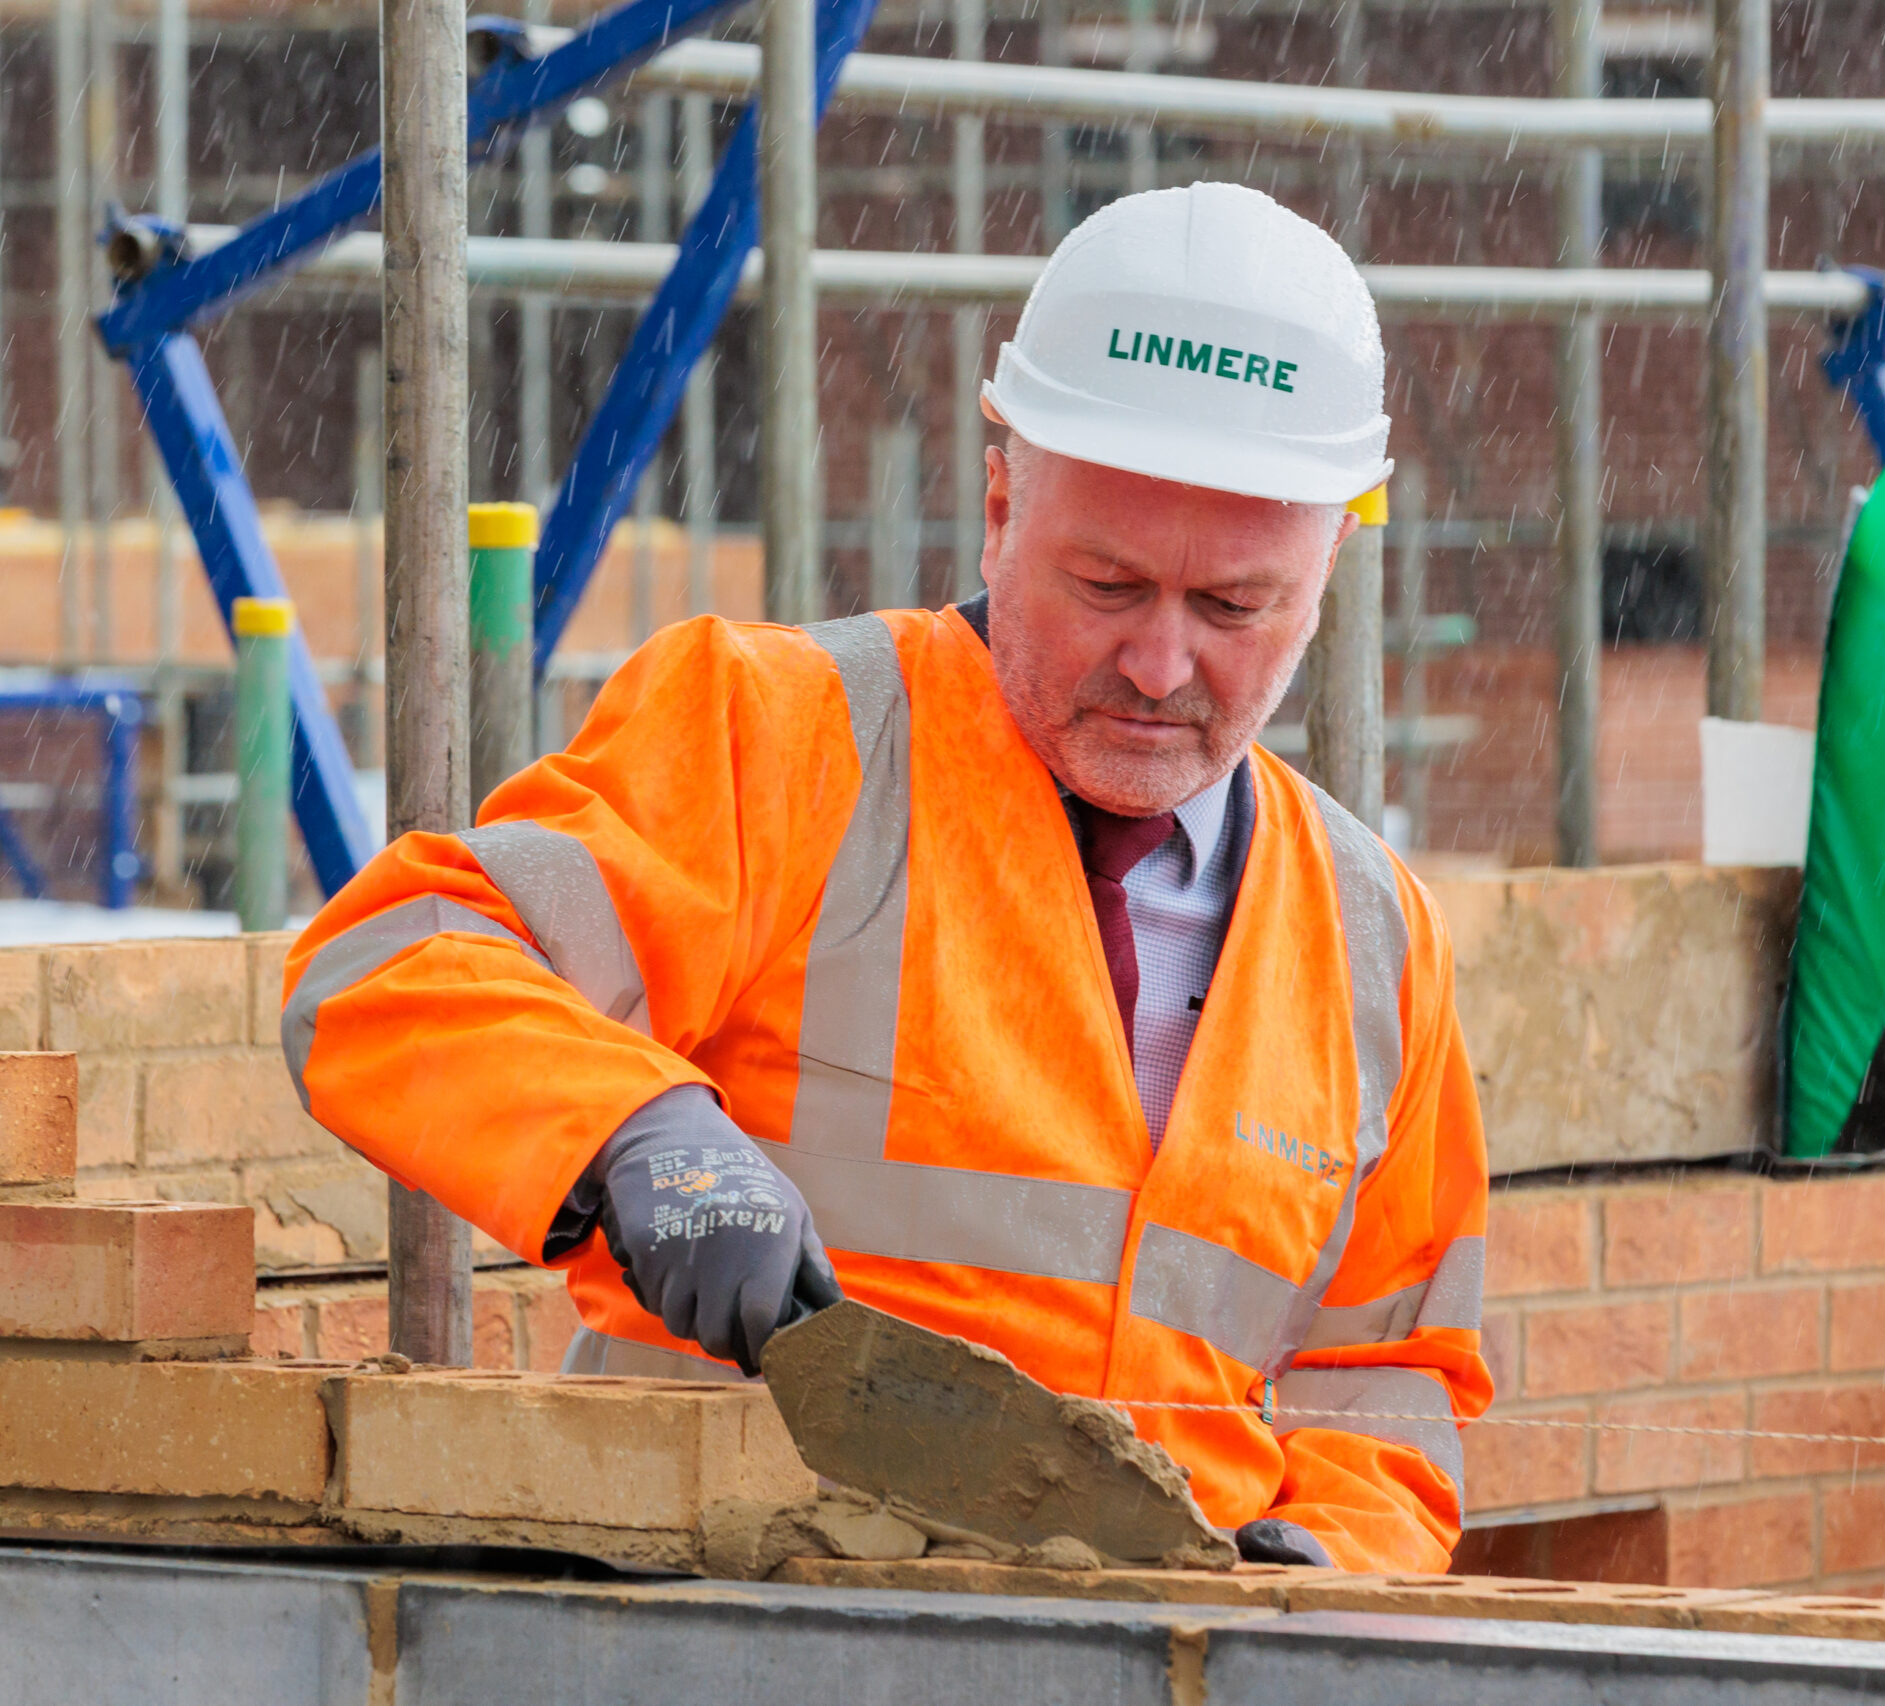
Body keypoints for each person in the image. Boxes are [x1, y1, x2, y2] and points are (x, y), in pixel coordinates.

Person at [281, 183, 1489, 1573]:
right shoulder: (779, 739)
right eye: (1106, 586)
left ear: (1330, 569)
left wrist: (1334, 1564)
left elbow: (1390, 1385)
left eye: (1233, 607)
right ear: (997, 505)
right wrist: (634, 1131)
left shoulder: (1375, 937)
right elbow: (386, 961)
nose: (1162, 666)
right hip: (727, 1640)